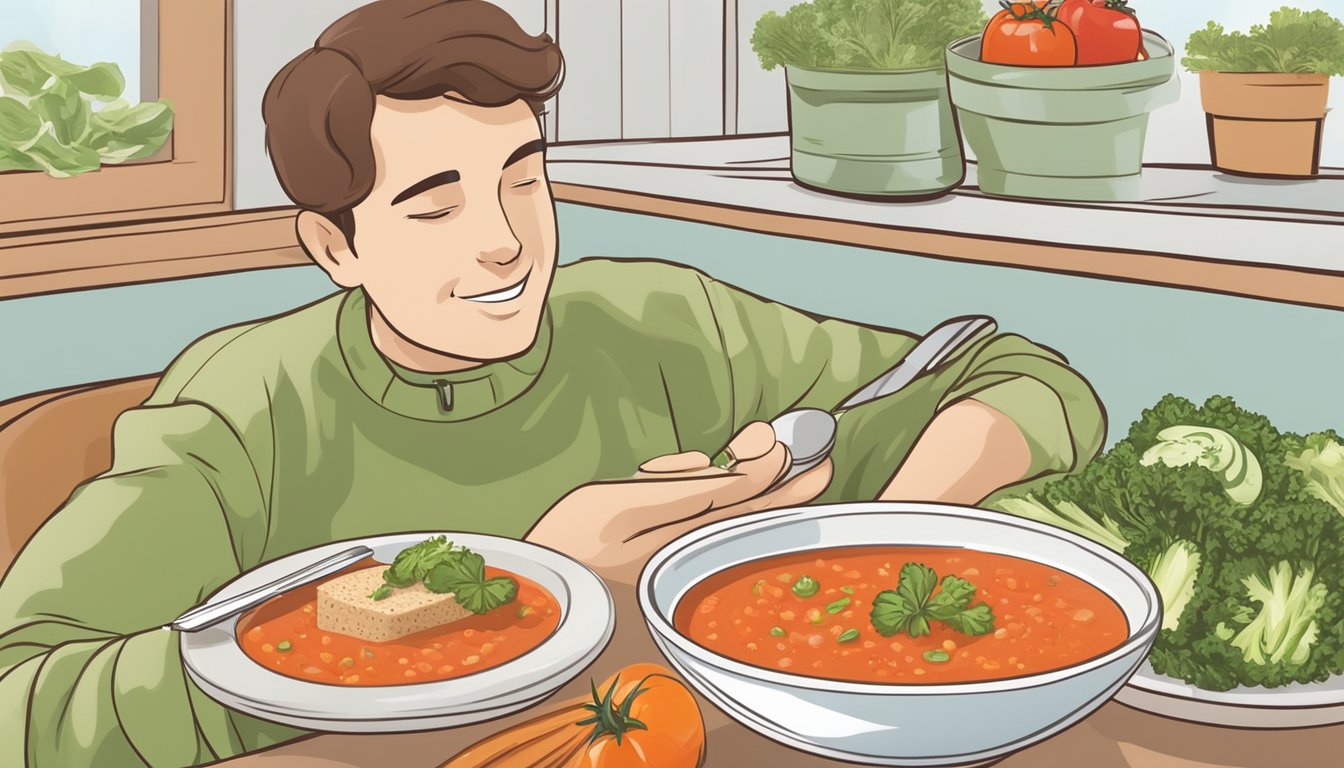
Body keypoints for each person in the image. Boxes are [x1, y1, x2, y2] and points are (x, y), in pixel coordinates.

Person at [0, 1, 1105, 765]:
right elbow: (23, 705)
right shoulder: (238, 411)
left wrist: (851, 522)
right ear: (333, 249)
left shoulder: (657, 322)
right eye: (432, 207)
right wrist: (540, 591)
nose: (504, 246)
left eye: (522, 181)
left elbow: (1019, 378)